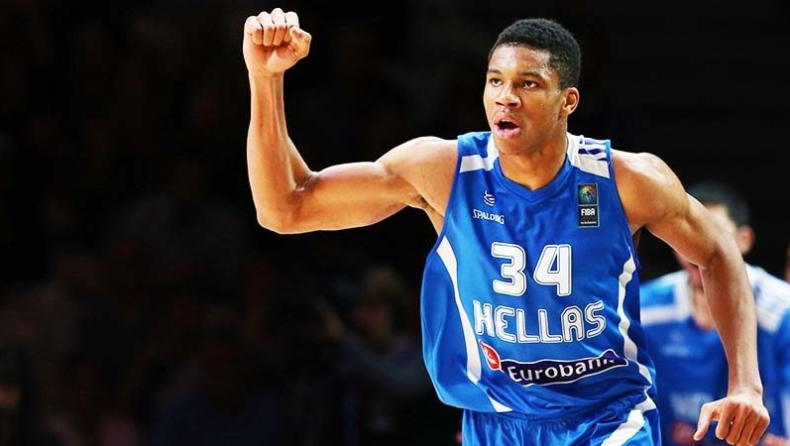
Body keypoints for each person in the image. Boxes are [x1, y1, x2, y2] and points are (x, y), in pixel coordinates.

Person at [241, 8, 770, 445]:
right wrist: (266, 81)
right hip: (495, 421)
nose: (505, 96)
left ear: (567, 102)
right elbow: (285, 209)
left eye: (527, 84)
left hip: (608, 417)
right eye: (495, 81)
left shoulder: (626, 180)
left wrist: (746, 384)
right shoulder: (443, 171)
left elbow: (717, 251)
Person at [641, 180, 790, 446]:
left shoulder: (782, 311)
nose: (699, 249)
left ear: (745, 240)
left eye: (716, 235)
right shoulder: (645, 307)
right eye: (688, 236)